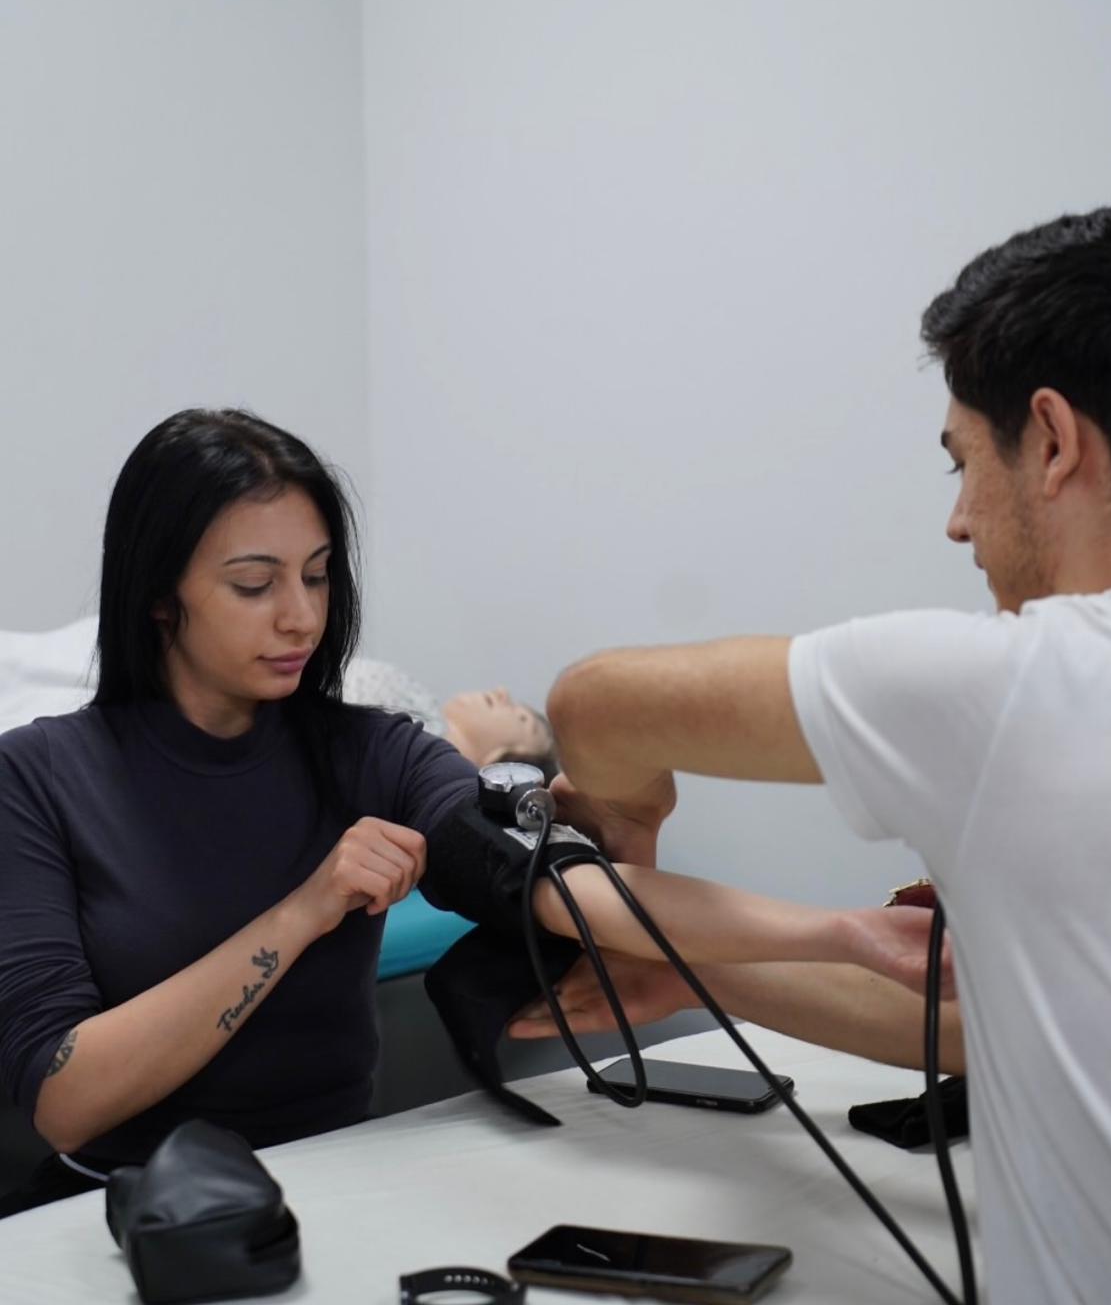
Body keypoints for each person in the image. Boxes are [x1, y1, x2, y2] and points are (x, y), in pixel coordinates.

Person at [0, 408, 938, 1217]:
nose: (301, 617)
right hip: (114, 1207)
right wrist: (304, 912)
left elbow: (561, 887)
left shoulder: (370, 749)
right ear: (159, 599)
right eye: (255, 585)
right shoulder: (37, 776)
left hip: (329, 1185)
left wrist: (847, 935)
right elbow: (64, 1098)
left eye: (318, 576)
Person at [527, 208, 1111, 1305]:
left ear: (1053, 440)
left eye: (963, 463)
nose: (958, 522)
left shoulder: (1030, 685)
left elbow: (590, 707)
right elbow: (1016, 1033)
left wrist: (629, 820)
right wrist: (696, 964)